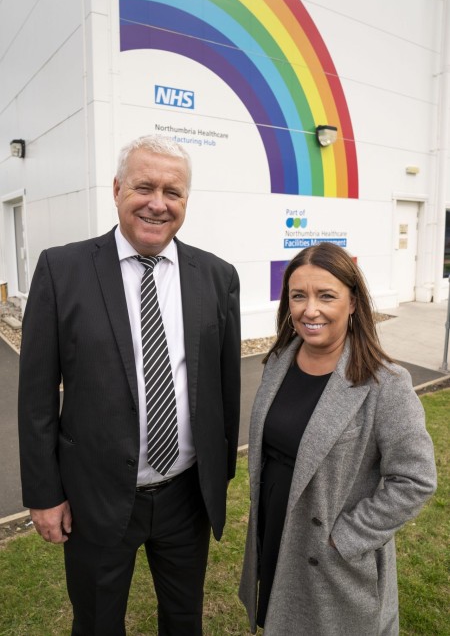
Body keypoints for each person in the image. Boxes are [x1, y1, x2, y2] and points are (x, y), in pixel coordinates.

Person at [18, 134, 241, 635]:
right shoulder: (62, 269)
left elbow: (225, 389)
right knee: (97, 622)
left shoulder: (216, 275)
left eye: (173, 192)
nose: (158, 204)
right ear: (117, 189)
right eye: (144, 186)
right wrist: (44, 494)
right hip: (95, 496)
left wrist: (217, 479)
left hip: (186, 496)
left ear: (186, 201)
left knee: (184, 619)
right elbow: (34, 397)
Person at [239, 242, 436, 636]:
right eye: (298, 296)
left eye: (326, 295)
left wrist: (345, 538)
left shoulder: (385, 384)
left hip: (330, 554)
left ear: (353, 303)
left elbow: (415, 480)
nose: (310, 310)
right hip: (277, 530)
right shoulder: (279, 362)